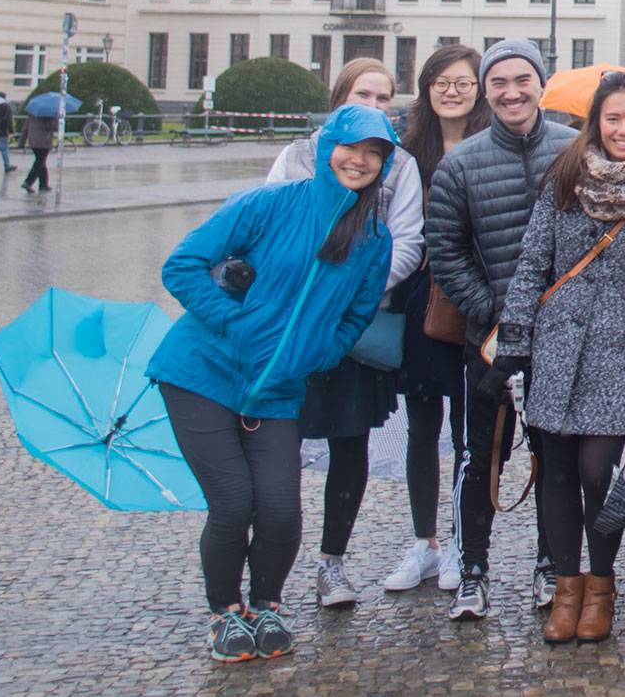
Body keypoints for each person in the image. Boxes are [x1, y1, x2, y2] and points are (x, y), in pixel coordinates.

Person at [149, 105, 396, 662]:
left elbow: (357, 317)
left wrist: (317, 352)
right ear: (328, 145)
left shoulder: (373, 238)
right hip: (203, 375)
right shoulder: (268, 203)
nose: (360, 161)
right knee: (234, 503)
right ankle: (225, 612)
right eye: (351, 147)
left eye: (374, 153)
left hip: (281, 390)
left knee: (282, 510)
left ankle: (266, 606)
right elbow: (182, 265)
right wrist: (235, 322)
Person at [493, 70, 625, 643]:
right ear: (595, 122)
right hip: (557, 340)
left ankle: (601, 586)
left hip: (619, 345)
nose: (624, 129)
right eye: (614, 118)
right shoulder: (565, 177)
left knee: (597, 472)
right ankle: (565, 586)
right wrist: (515, 342)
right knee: (554, 470)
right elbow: (533, 263)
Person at [265, 58, 424, 610]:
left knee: (348, 444)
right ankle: (268, 568)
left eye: (385, 98)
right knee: (277, 447)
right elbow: (271, 230)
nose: (375, 107)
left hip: (355, 327)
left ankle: (332, 561)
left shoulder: (400, 166)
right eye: (363, 96)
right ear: (339, 98)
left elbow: (407, 242)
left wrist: (354, 296)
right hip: (293, 325)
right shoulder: (297, 157)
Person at [426, 39, 576, 621]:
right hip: (487, 340)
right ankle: (472, 570)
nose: (511, 92)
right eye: (499, 83)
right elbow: (446, 251)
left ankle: (552, 563)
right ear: (487, 92)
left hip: (560, 337)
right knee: (477, 456)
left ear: (541, 84)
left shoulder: (572, 150)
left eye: (522, 80)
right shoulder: (460, 163)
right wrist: (489, 306)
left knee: (553, 457)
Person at [382, 44, 490, 595]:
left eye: (463, 82)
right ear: (427, 88)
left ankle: (458, 542)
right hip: (421, 300)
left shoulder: (491, 145)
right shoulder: (406, 150)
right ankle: (423, 541)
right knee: (422, 427)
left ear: (479, 89)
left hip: (473, 300)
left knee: (468, 430)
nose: (452, 91)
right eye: (441, 82)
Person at [20, 106, 57, 193]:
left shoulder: (33, 112)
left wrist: (22, 140)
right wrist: (56, 119)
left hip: (33, 140)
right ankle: (28, 182)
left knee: (41, 161)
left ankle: (43, 185)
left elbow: (26, 126)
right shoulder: (49, 114)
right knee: (39, 162)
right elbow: (51, 127)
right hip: (44, 141)